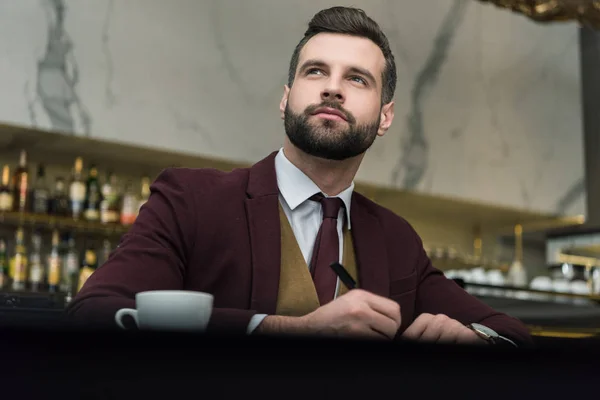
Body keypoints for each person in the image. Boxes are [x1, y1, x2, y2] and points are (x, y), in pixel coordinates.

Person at [68, 6, 532, 347]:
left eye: (357, 79)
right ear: (286, 98)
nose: (332, 86)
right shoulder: (190, 200)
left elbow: (512, 334)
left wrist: (477, 342)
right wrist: (286, 330)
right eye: (316, 71)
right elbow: (93, 315)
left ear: (386, 116)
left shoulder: (396, 240)